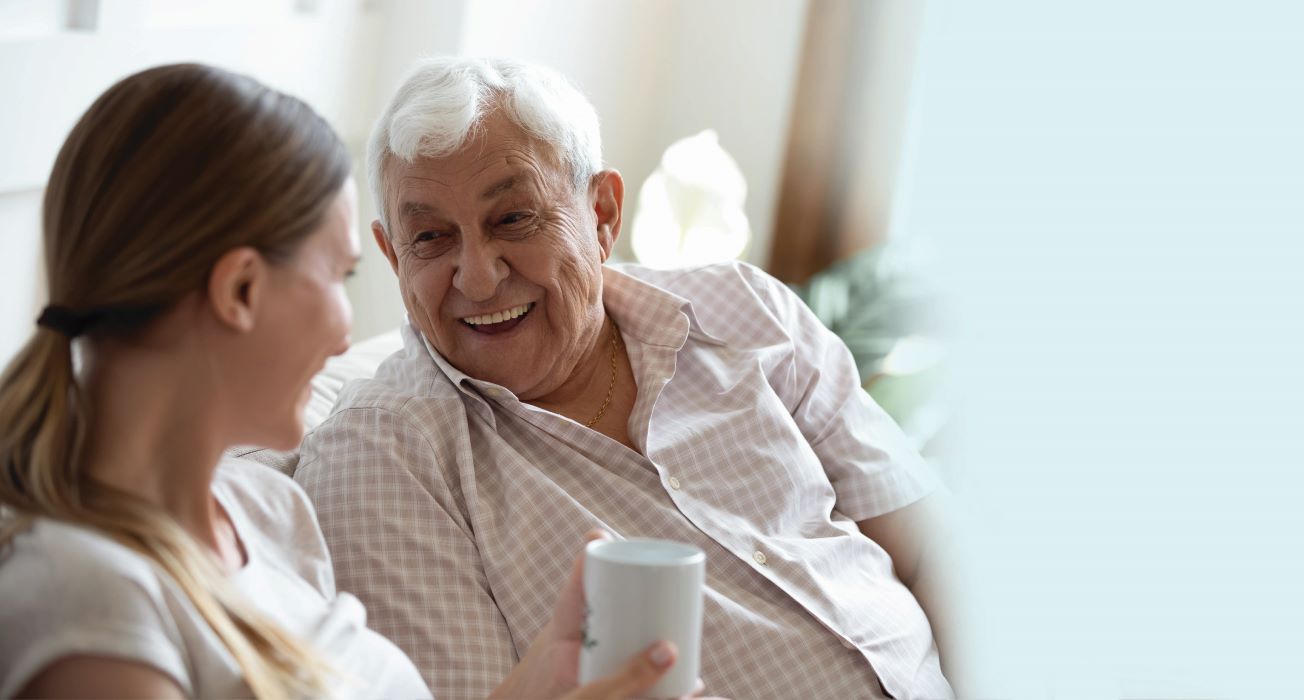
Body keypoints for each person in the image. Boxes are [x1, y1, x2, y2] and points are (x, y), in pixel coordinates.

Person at [0, 63, 696, 700]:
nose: (345, 335)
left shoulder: (266, 513)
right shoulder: (92, 598)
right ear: (240, 290)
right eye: (343, 276)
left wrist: (545, 679)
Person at [284, 57, 959, 699]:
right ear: (390, 255)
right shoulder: (382, 458)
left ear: (603, 213)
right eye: (431, 237)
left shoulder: (747, 310)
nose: (479, 276)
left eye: (514, 219)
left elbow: (929, 553)